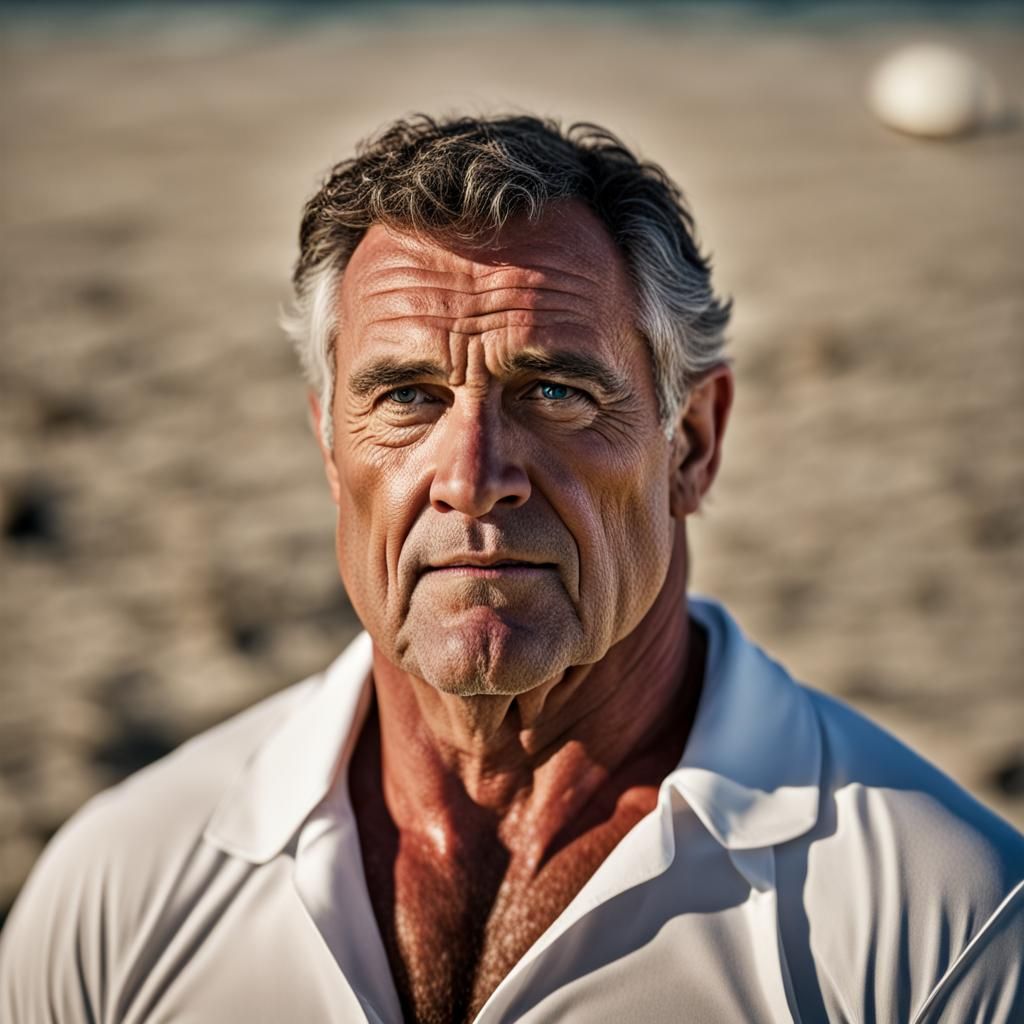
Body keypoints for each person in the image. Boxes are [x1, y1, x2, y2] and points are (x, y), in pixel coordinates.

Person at [1, 114, 1021, 1024]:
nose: (472, 476)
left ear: (693, 444)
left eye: (555, 391)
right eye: (405, 395)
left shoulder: (942, 921)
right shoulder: (123, 883)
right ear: (327, 446)